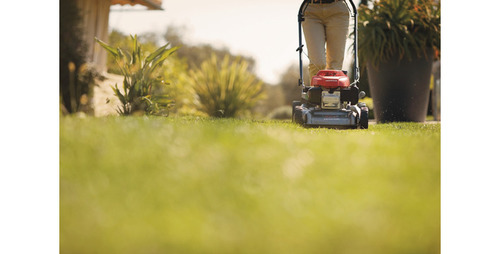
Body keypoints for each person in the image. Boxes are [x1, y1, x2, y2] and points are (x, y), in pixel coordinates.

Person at [302, 0, 350, 80]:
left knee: (335, 66)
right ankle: (316, 90)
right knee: (317, 63)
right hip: (311, 10)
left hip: (337, 10)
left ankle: (331, 91)